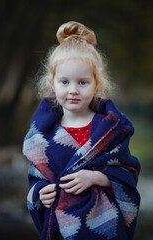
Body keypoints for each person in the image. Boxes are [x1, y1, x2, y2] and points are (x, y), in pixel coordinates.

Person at [23, 21, 141, 240]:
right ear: (52, 83)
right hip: (60, 227)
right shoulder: (43, 135)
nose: (73, 90)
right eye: (65, 82)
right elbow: (36, 178)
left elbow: (128, 174)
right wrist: (41, 192)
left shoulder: (110, 129)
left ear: (97, 83)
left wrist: (95, 177)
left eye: (83, 82)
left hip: (104, 228)